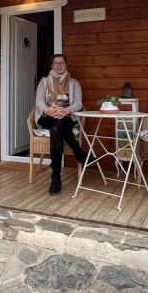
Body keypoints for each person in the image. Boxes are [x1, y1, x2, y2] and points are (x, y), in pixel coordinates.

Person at [35, 53, 93, 196]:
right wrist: (47, 110)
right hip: (47, 117)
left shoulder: (74, 83)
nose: (59, 65)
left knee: (56, 129)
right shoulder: (43, 82)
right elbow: (39, 100)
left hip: (66, 117)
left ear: (66, 65)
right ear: (52, 66)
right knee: (56, 123)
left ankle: (55, 177)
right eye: (56, 63)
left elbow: (78, 103)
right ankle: (77, 151)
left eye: (62, 63)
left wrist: (66, 110)